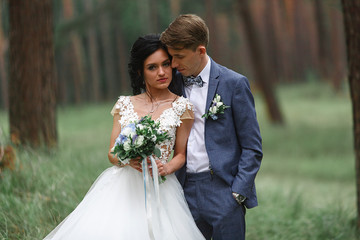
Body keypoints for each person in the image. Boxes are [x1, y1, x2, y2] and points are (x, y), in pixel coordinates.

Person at [43, 34, 205, 240]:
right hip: (122, 187)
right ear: (140, 71)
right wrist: (128, 159)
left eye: (166, 64)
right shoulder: (124, 104)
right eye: (152, 67)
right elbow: (111, 153)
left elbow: (181, 153)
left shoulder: (182, 106)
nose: (162, 72)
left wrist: (167, 167)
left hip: (161, 186)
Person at [160, 14, 263, 240]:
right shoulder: (172, 83)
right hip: (182, 191)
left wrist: (237, 193)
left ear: (201, 51)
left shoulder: (234, 84)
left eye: (179, 56)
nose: (174, 64)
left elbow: (252, 147)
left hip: (224, 191)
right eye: (171, 57)